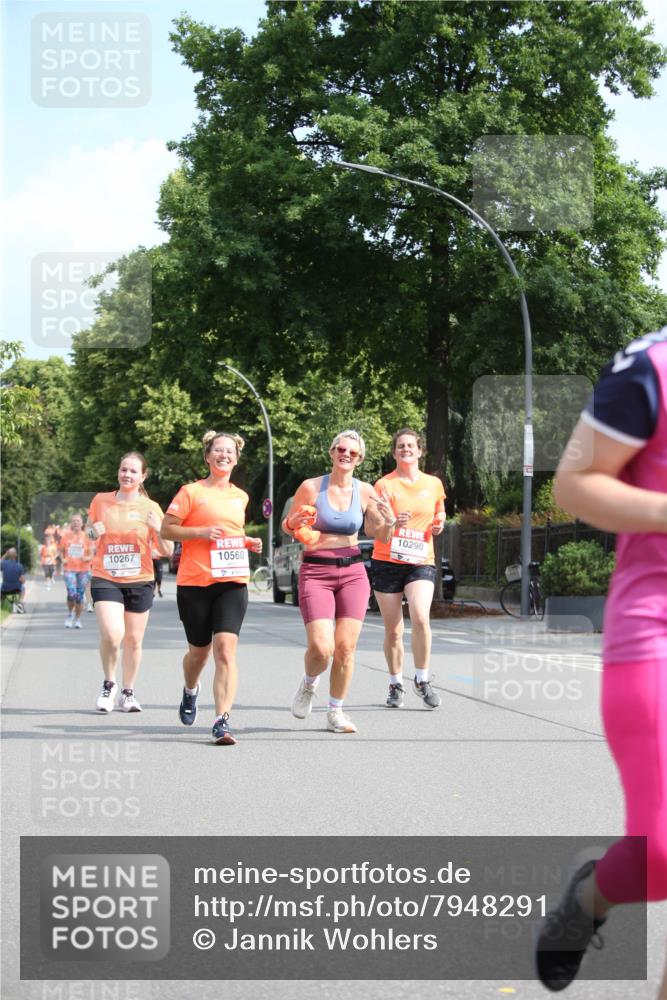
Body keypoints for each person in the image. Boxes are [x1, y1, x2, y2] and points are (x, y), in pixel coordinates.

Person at [535, 327, 667, 997]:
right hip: (655, 628)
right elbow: (575, 484)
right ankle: (590, 899)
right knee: (663, 852)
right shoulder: (650, 365)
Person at [160, 430, 262, 746]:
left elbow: (231, 533)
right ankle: (191, 690)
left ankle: (221, 721)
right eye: (218, 450)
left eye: (229, 451)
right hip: (195, 581)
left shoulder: (240, 496)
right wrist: (202, 532)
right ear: (207, 456)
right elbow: (167, 529)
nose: (224, 455)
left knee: (225, 651)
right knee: (198, 653)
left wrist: (248, 541)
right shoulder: (190, 492)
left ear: (236, 457)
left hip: (231, 581)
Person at [286, 430, 391, 734]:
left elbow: (378, 534)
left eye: (353, 453)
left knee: (345, 648)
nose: (346, 455)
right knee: (322, 648)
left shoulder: (367, 491)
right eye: (341, 449)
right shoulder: (310, 487)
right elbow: (288, 524)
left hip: (353, 572)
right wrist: (296, 523)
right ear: (331, 452)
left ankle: (336, 711)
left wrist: (390, 522)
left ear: (360, 459)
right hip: (316, 571)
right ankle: (308, 684)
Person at [87, 452, 173, 714]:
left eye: (133, 471)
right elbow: (90, 532)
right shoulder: (101, 501)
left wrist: (158, 528)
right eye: (123, 469)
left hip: (139, 579)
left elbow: (167, 549)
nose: (127, 475)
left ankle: (128, 692)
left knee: (134, 640)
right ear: (118, 472)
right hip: (106, 576)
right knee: (113, 634)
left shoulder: (151, 507)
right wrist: (93, 532)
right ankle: (109, 683)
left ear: (143, 476)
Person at [368, 428, 446, 710]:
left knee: (420, 617)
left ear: (419, 451)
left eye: (410, 446)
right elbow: (375, 528)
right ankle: (395, 683)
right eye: (400, 446)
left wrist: (439, 522)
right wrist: (393, 524)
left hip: (420, 560)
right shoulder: (384, 485)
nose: (406, 450)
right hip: (387, 560)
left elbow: (439, 510)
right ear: (394, 453)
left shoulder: (433, 483)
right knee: (394, 630)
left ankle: (422, 680)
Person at [59, 514, 93, 628]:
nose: (76, 523)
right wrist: (62, 558)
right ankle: (70, 614)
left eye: (78, 521)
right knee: (71, 594)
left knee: (79, 596)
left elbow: (92, 553)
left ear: (82, 523)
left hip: (83, 569)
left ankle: (78, 619)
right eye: (73, 521)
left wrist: (87, 558)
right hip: (69, 568)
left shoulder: (87, 536)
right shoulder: (66, 536)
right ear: (71, 523)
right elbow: (60, 550)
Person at [1, 548, 26, 614]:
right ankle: (20, 602)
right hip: (16, 589)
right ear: (16, 556)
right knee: (23, 587)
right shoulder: (19, 566)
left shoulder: (3, 564)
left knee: (0, 585)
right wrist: (20, 580)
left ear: (8, 555)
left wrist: (5, 554)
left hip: (4, 589)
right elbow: (23, 581)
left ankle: (1, 602)